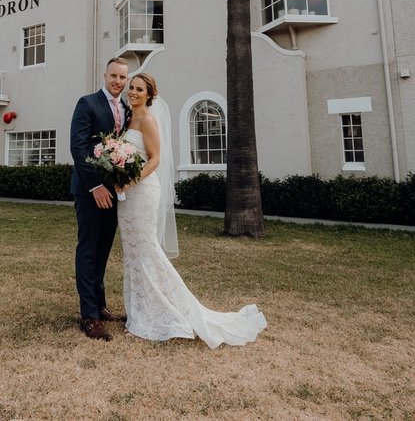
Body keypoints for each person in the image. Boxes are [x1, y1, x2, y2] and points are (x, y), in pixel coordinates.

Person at [118, 73, 267, 348]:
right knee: (132, 252)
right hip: (126, 196)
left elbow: (155, 159)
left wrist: (131, 180)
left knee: (147, 250)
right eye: (132, 88)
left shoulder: (148, 120)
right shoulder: (127, 119)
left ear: (150, 95)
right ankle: (138, 311)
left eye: (140, 89)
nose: (134, 92)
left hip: (143, 191)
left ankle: (165, 312)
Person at [69, 57, 131, 341]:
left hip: (115, 192)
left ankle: (101, 305)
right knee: (88, 249)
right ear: (104, 75)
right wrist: (95, 186)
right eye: (114, 76)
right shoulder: (87, 103)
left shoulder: (127, 109)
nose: (118, 81)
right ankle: (89, 316)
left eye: (123, 77)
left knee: (104, 249)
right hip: (90, 190)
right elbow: (79, 147)